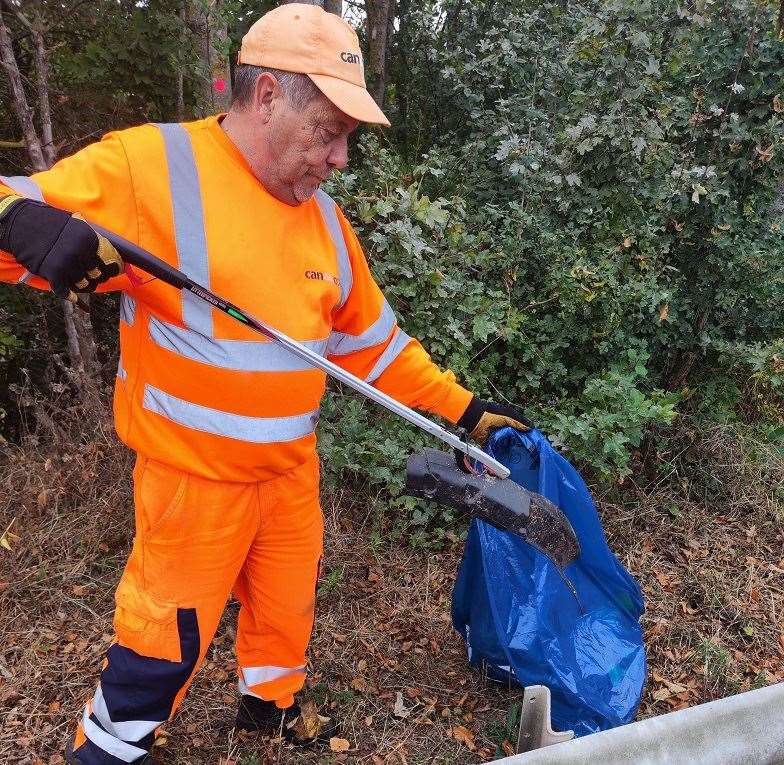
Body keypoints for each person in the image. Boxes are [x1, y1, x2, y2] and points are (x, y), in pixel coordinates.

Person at [0, 5, 531, 763]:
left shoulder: (325, 224)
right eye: (330, 130)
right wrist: (24, 224)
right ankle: (110, 746)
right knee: (163, 636)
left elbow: (373, 345)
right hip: (195, 480)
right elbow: (12, 201)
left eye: (348, 138)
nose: (341, 157)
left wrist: (467, 410)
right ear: (268, 96)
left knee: (287, 608)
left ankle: (270, 707)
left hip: (287, 473)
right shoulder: (152, 167)